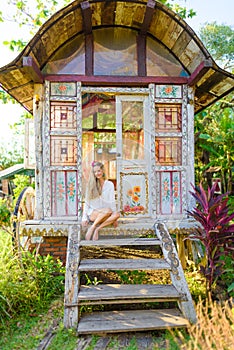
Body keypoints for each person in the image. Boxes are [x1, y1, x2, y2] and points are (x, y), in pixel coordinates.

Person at [82, 161, 120, 240]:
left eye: (99, 171)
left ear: (102, 171)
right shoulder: (91, 185)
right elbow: (87, 203)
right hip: (93, 213)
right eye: (95, 172)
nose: (97, 173)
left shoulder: (109, 184)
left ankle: (96, 229)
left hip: (106, 213)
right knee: (108, 210)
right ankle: (93, 227)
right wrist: (84, 218)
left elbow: (112, 201)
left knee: (117, 214)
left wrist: (114, 218)